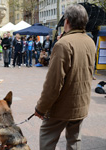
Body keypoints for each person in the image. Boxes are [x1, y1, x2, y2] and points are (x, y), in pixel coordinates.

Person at [34, 4, 96, 150]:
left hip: (61, 107)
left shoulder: (63, 44)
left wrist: (41, 108)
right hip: (80, 104)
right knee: (74, 141)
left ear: (67, 21)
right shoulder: (90, 42)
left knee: (47, 137)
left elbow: (53, 83)